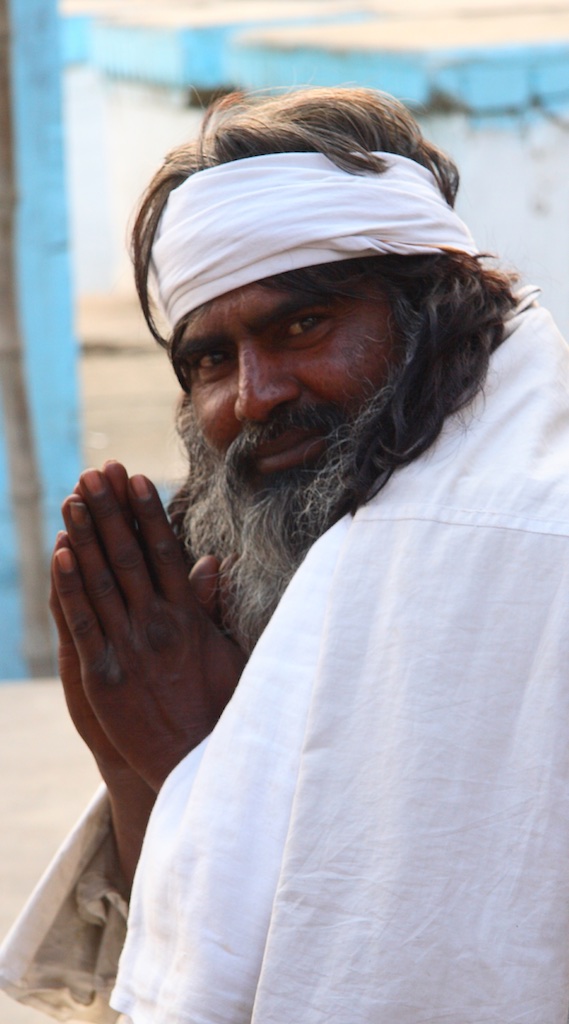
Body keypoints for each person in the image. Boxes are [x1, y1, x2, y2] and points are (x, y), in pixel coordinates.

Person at [2, 85, 569, 1023]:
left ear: (439, 311)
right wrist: (146, 773)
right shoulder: (338, 541)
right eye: (211, 362)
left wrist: (181, 756)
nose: (253, 398)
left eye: (301, 327)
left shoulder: (489, 551)